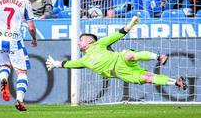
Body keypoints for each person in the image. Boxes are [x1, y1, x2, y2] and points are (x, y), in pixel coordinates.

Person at [45, 16, 188, 90]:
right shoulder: (84, 60)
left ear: (89, 41)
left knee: (129, 55)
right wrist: (56, 64)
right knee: (147, 78)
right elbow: (69, 64)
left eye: (80, 40)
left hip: (120, 60)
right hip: (120, 73)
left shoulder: (100, 43)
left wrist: (132, 23)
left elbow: (119, 34)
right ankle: (176, 82)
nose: (77, 43)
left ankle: (158, 57)